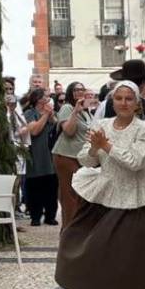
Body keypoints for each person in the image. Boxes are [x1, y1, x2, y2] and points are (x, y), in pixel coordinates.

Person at [55, 80, 145, 289]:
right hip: (107, 191)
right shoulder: (101, 125)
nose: (123, 103)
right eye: (119, 98)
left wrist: (106, 145)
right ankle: (124, 287)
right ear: (112, 101)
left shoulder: (144, 130)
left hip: (137, 194)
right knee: (92, 243)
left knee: (132, 248)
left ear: (136, 104)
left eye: (128, 99)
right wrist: (93, 149)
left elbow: (136, 162)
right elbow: (87, 160)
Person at [53, 82, 95, 228]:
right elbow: (69, 131)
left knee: (80, 195)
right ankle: (68, 233)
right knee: (69, 196)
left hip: (81, 157)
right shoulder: (67, 108)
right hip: (66, 155)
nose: (79, 92)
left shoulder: (86, 111)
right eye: (76, 89)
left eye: (82, 89)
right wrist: (75, 111)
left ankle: (77, 230)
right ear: (71, 92)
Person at [17, 89, 60, 226]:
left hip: (50, 156)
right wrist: (45, 115)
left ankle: (50, 215)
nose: (49, 98)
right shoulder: (29, 114)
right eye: (46, 96)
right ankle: (35, 215)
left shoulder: (52, 113)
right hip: (36, 155)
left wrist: (51, 115)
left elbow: (57, 126)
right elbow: (34, 130)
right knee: (35, 187)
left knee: (51, 188)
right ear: (38, 99)